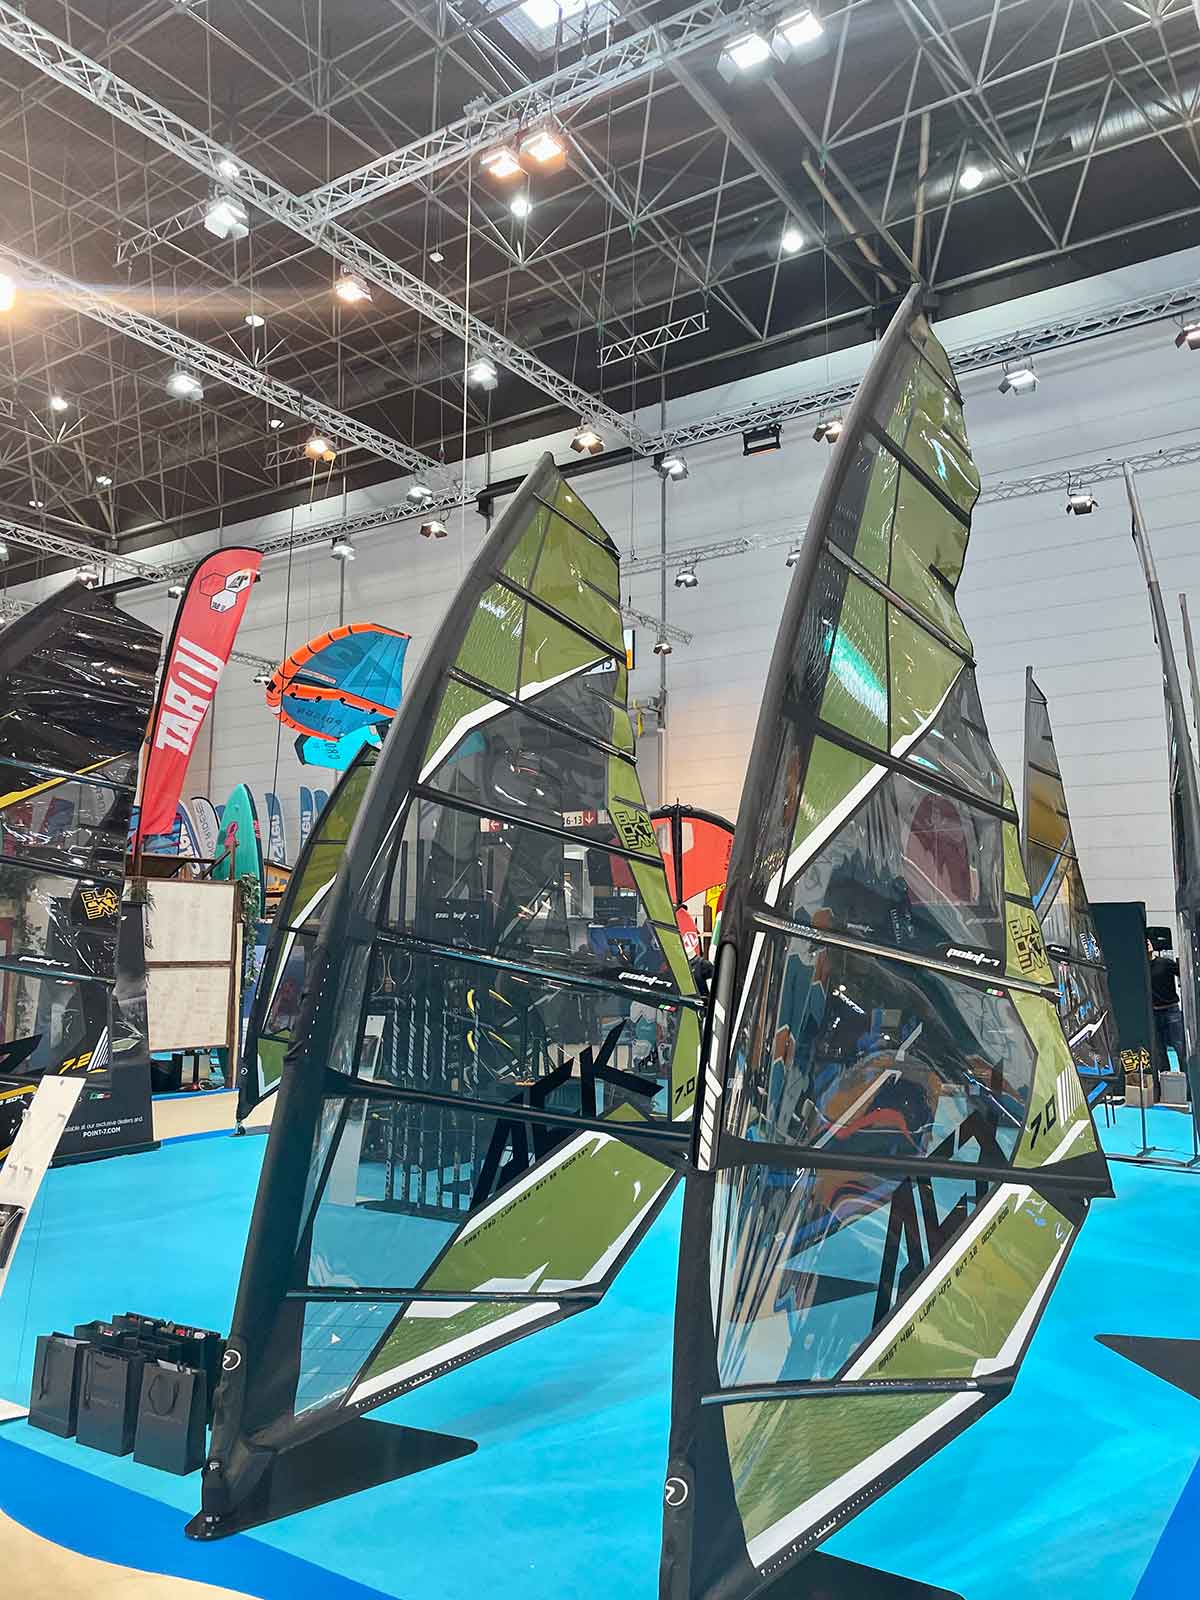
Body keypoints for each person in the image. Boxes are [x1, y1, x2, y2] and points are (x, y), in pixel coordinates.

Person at [1148, 937, 1184, 1074]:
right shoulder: (1141, 968)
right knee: (1159, 1050)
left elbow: (1183, 974)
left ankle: (1187, 1078)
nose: (1147, 944)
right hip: (1154, 1012)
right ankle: (1165, 1079)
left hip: (1171, 1010)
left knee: (1179, 1046)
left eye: (1148, 941)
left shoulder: (1165, 963)